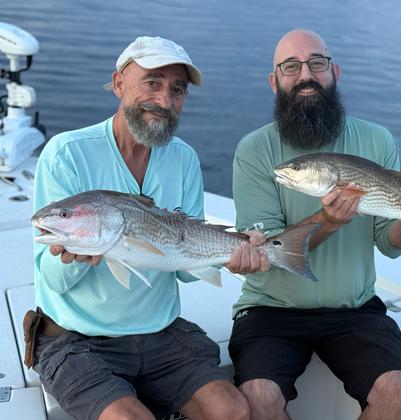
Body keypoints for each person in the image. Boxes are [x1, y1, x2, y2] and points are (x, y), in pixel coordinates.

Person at [227, 29, 401, 420]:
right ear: (275, 81)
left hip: (355, 308)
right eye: (291, 66)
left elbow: (388, 239)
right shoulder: (255, 151)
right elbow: (267, 251)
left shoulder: (377, 139)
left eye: (317, 63)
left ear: (334, 72)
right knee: (257, 397)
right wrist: (326, 220)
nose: (305, 74)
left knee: (398, 389)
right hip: (272, 308)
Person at [29, 36, 251, 420]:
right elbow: (55, 283)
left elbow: (184, 272)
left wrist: (232, 255)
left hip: (159, 333)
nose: (165, 100)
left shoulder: (183, 158)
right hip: (76, 337)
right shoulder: (66, 154)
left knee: (232, 410)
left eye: (177, 89)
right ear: (119, 84)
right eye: (153, 82)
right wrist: (81, 252)